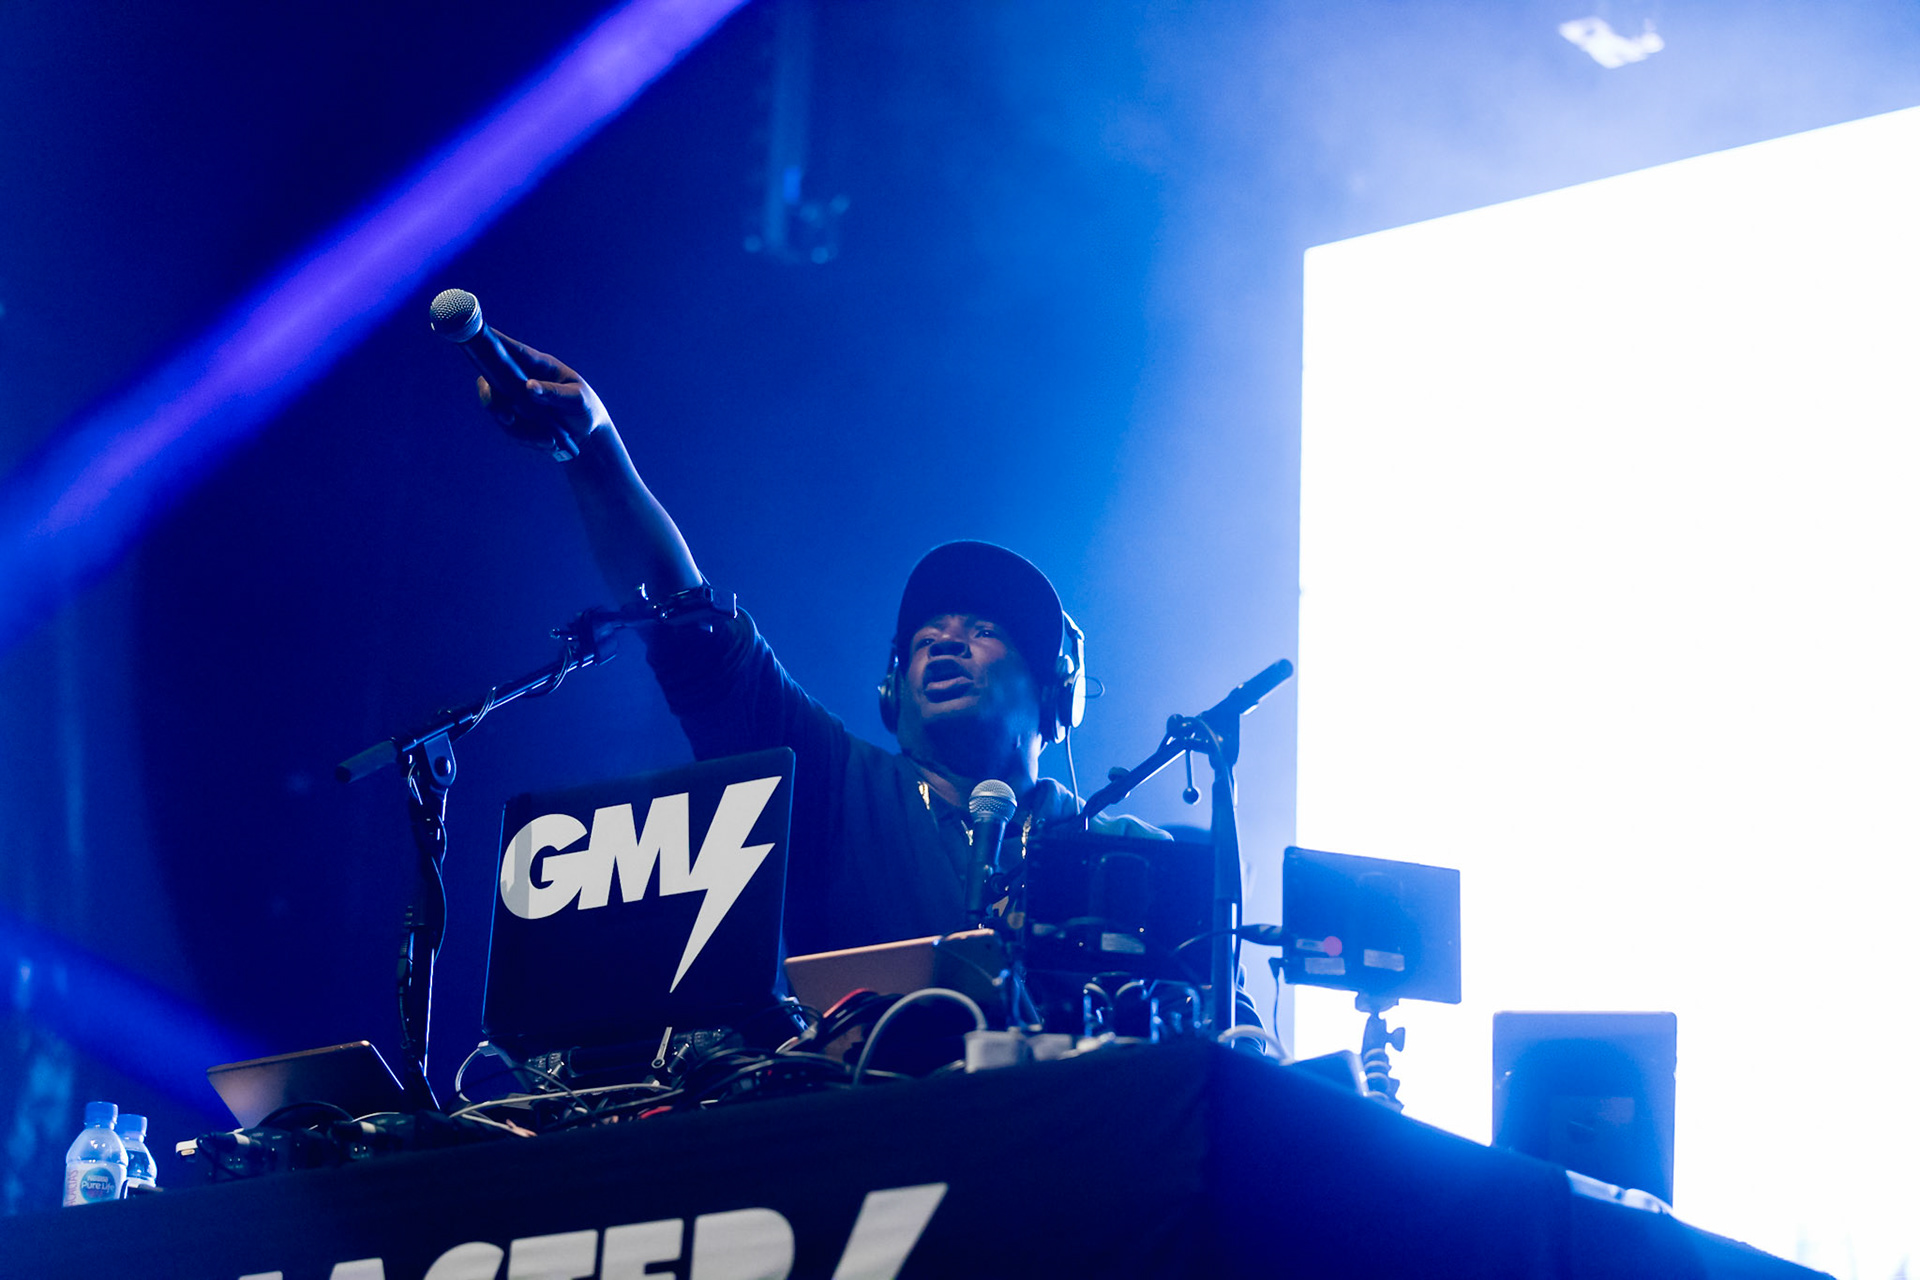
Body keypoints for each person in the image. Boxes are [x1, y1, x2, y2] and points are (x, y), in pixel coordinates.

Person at [476, 334, 1162, 960]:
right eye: (926, 638)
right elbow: (693, 633)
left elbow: (1228, 1041)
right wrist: (597, 453)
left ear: (1054, 690)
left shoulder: (1125, 854)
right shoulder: (834, 783)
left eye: (983, 632)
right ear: (891, 693)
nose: (947, 642)